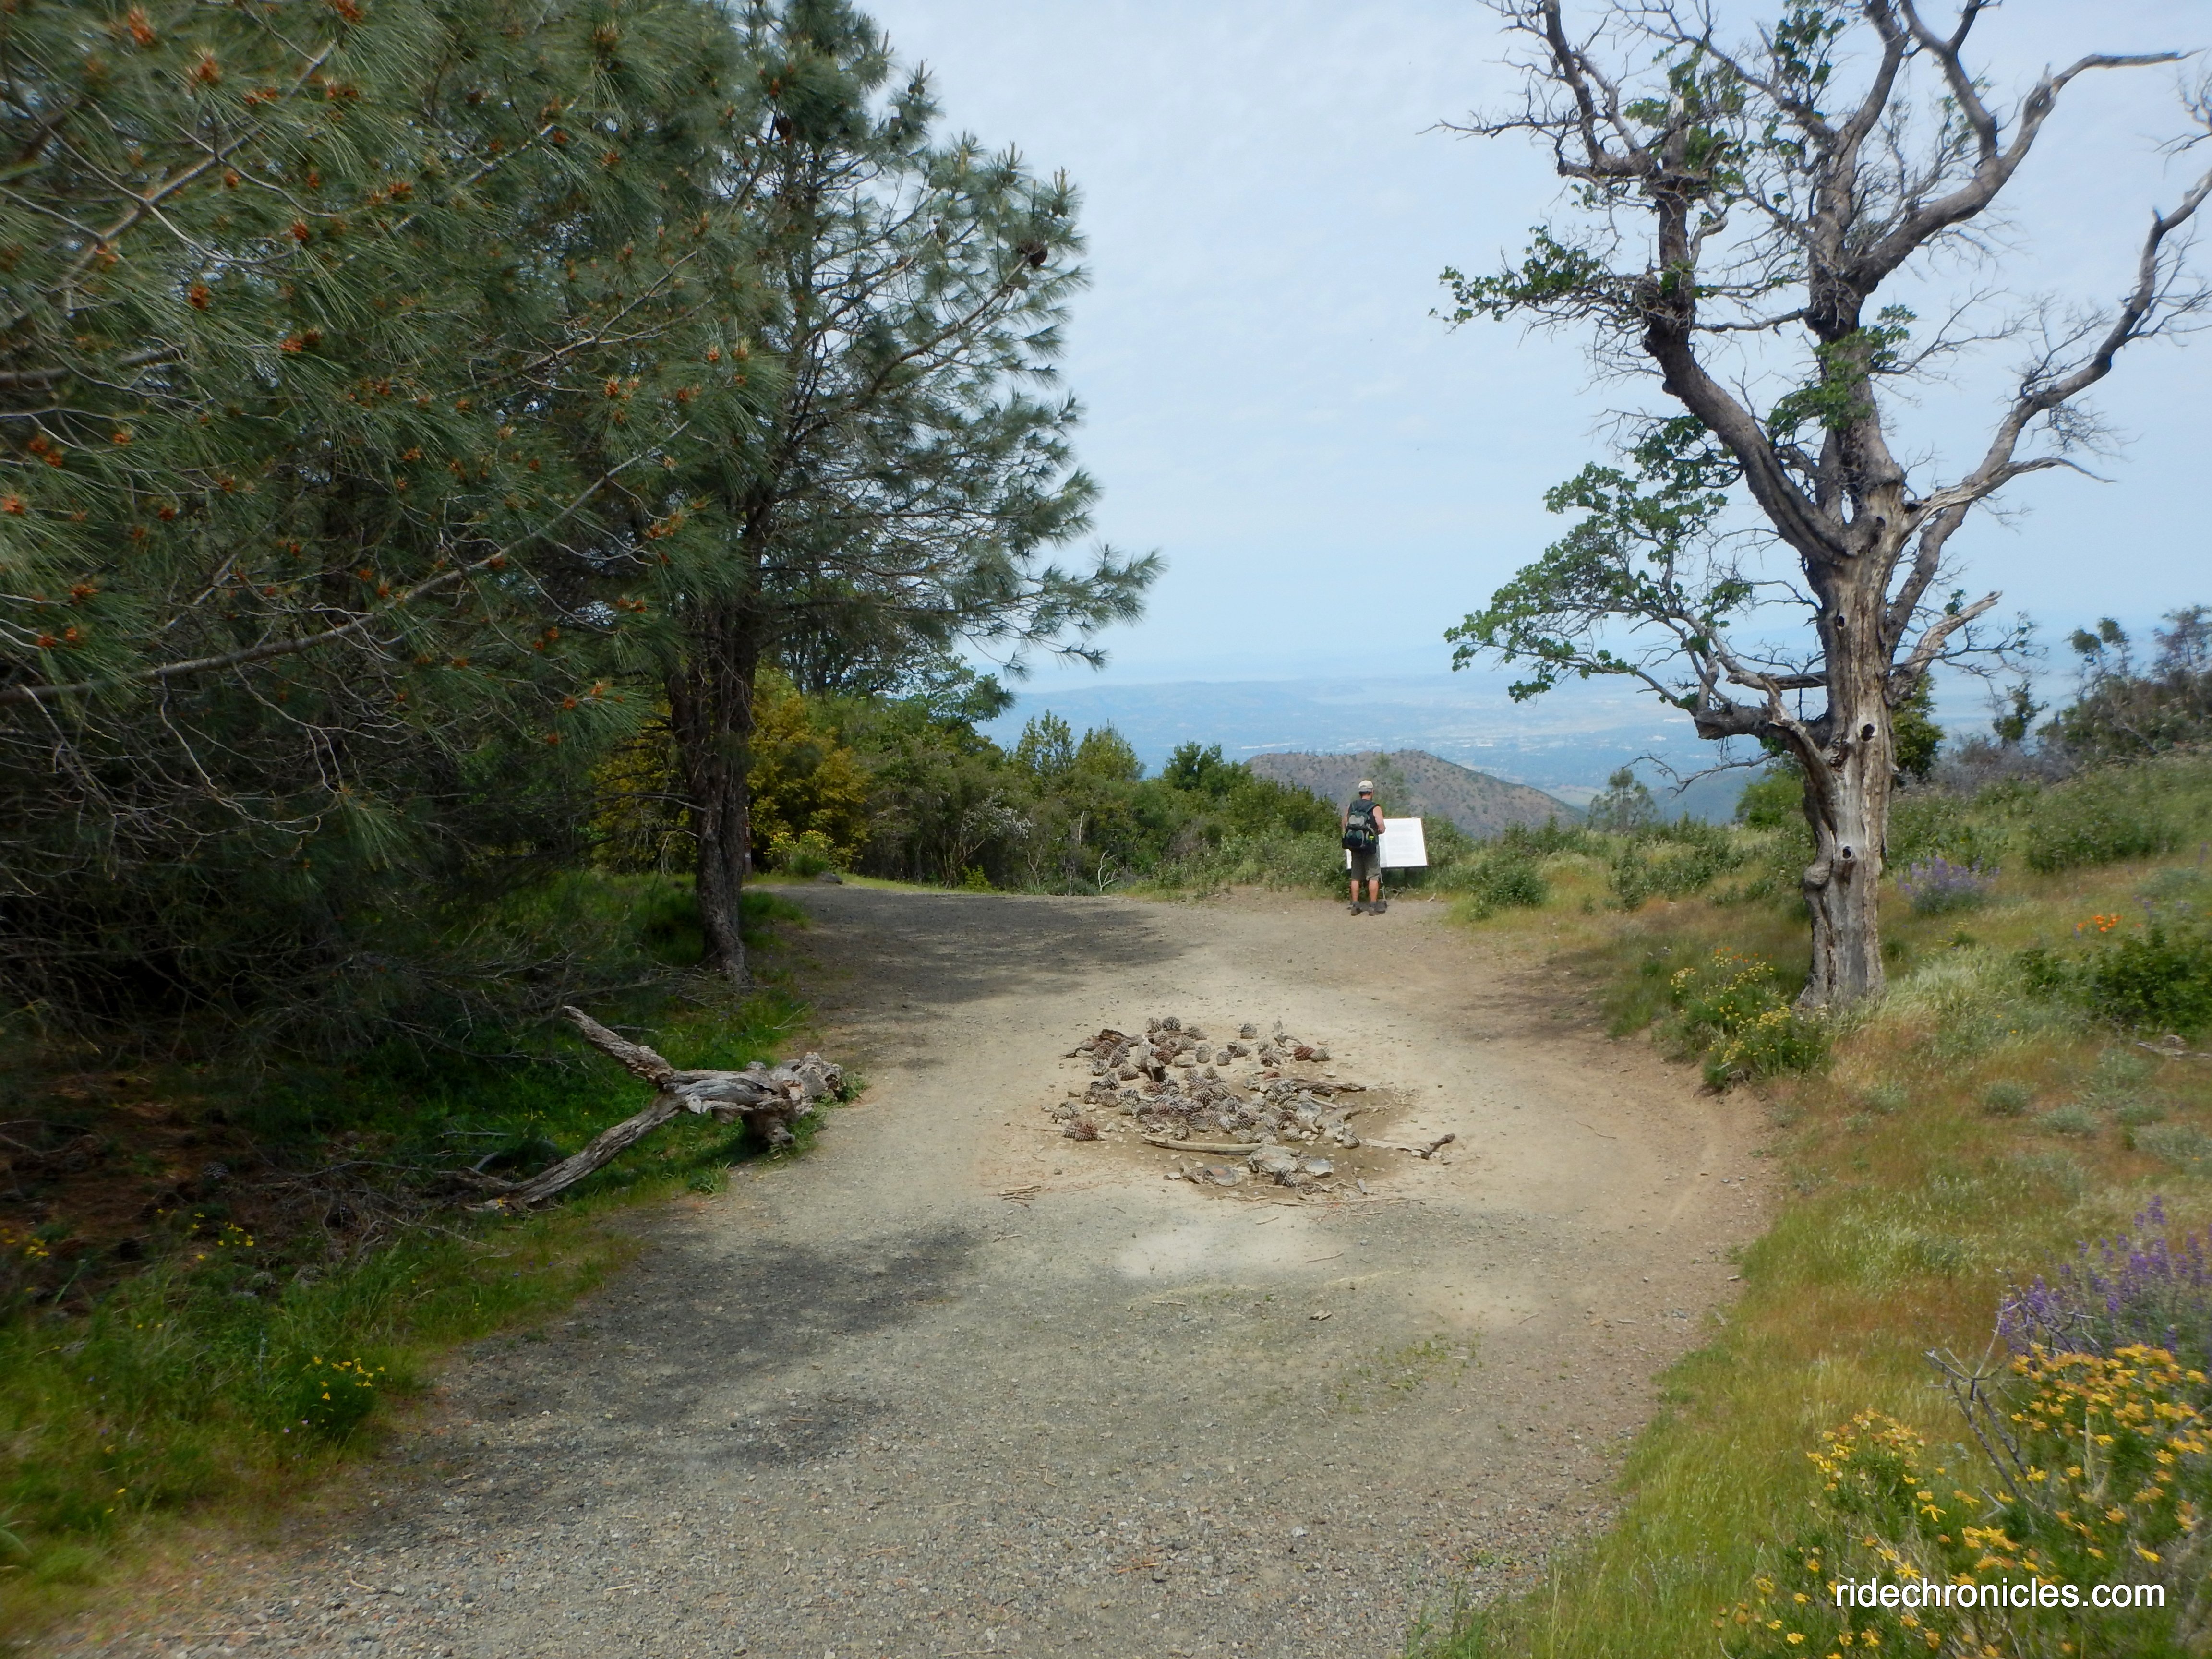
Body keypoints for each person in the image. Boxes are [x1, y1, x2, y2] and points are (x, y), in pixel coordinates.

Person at [1342, 780, 1386, 914]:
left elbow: (1344, 823)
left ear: (1360, 793)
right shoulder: (1375, 807)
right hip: (1370, 846)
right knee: (1373, 876)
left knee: (1355, 876)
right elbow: (1381, 827)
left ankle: (1355, 906)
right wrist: (1376, 832)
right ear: (1372, 792)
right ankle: (1373, 907)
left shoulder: (1352, 806)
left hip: (1355, 845)